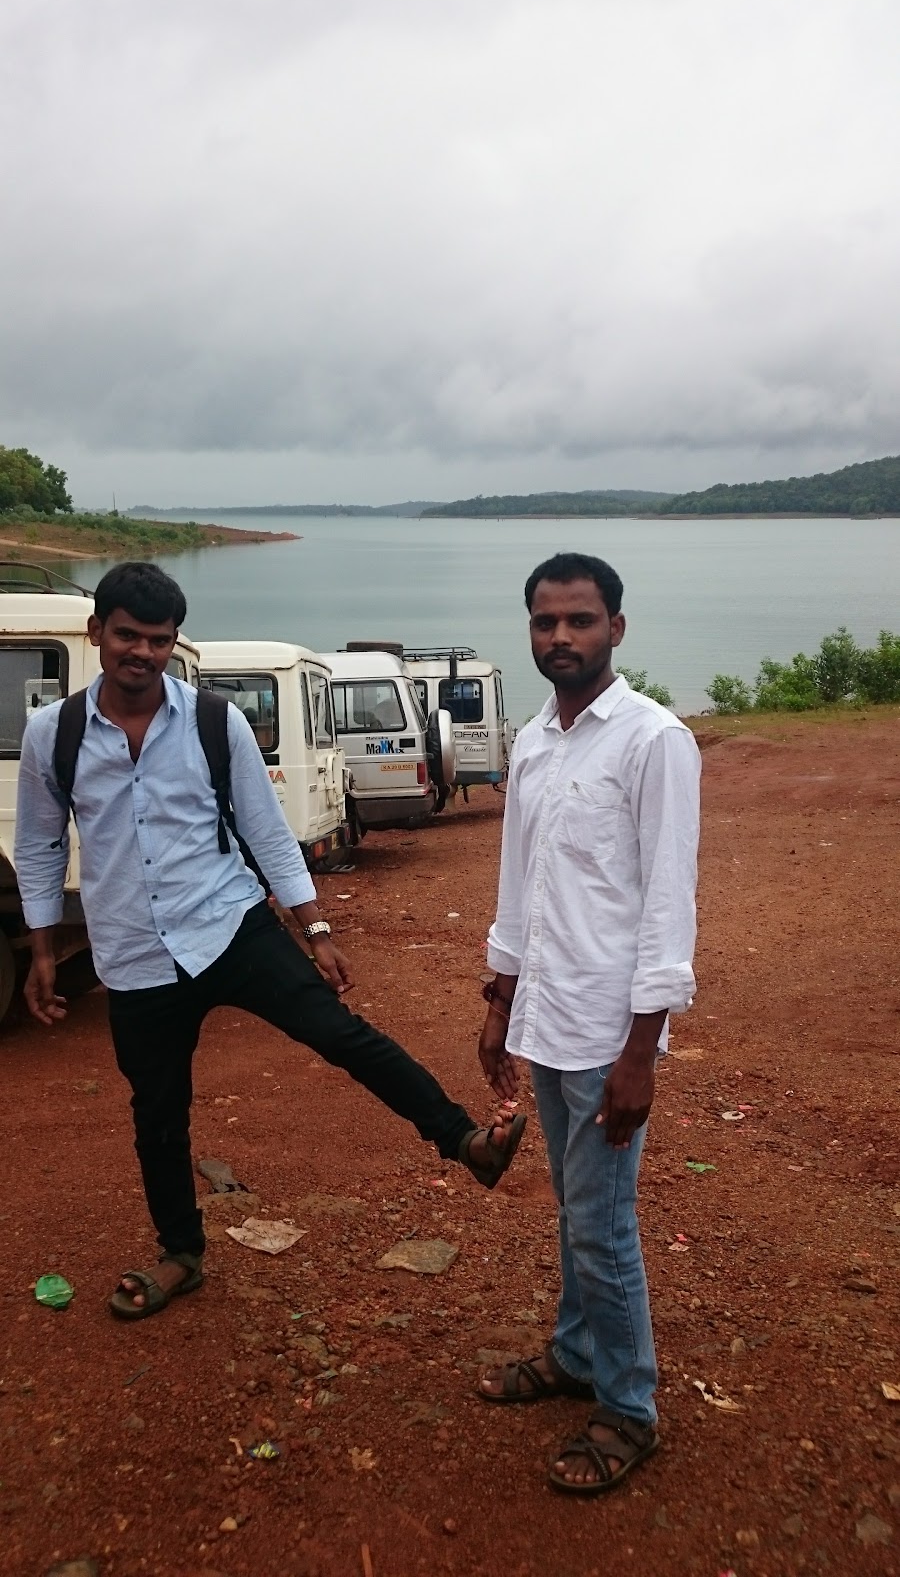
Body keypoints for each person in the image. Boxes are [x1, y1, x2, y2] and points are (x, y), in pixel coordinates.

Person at [15, 562, 525, 1321]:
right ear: (97, 634)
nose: (143, 654)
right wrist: (45, 949)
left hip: (230, 927)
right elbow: (39, 846)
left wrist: (315, 929)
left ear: (172, 643)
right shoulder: (51, 735)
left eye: (159, 640)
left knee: (344, 1036)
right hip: (134, 953)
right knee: (157, 1112)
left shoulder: (214, 723)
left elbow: (266, 832)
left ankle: (463, 1143)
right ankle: (181, 1253)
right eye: (127, 636)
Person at [476, 552, 700, 1495]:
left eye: (580, 620)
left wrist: (640, 1055)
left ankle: (630, 1406)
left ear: (616, 627)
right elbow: (519, 885)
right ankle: (575, 1356)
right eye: (544, 623)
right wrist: (499, 1001)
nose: (560, 637)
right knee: (577, 1213)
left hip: (612, 1031)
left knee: (603, 1227)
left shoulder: (654, 741)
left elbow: (667, 906)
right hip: (547, 1015)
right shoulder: (535, 742)